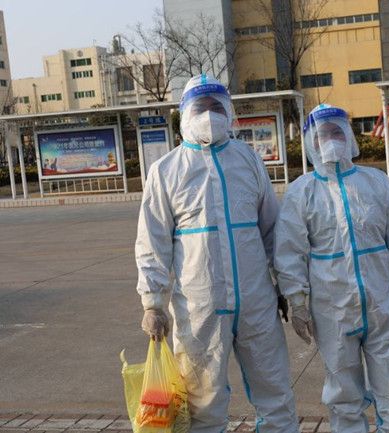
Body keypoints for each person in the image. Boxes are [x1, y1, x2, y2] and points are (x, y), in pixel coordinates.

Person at [135, 74, 299, 433]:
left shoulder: (248, 159)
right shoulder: (166, 171)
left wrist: (287, 285)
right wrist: (153, 302)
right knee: (203, 407)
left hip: (257, 301)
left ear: (229, 112)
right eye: (200, 107)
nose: (209, 115)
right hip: (199, 308)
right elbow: (153, 241)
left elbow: (272, 230)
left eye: (217, 107)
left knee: (275, 394)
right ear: (185, 115)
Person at [274, 104, 389, 432]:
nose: (330, 139)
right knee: (343, 396)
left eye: (336, 132)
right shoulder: (302, 192)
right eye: (322, 134)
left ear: (348, 136)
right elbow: (289, 252)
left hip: (381, 308)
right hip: (332, 313)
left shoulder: (375, 182)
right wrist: (298, 303)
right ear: (311, 142)